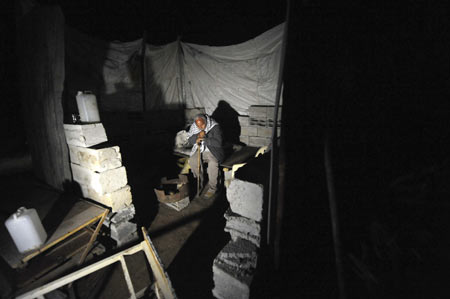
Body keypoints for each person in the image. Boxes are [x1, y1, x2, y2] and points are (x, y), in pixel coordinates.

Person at [187, 114, 224, 199]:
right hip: (201, 150)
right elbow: (190, 140)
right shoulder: (195, 127)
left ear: (206, 121)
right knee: (192, 160)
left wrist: (204, 138)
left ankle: (212, 188)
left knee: (213, 163)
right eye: (198, 126)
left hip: (213, 151)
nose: (201, 127)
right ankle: (200, 182)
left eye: (202, 125)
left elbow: (219, 143)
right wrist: (197, 136)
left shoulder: (215, 127)